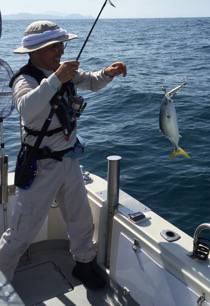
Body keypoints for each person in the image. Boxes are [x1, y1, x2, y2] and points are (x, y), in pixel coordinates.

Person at [0, 20, 127, 289]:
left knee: (80, 219)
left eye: (61, 45)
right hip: (40, 165)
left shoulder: (62, 72)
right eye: (52, 47)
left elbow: (90, 82)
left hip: (68, 159)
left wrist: (108, 72)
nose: (59, 51)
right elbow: (26, 108)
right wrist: (56, 78)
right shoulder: (25, 79)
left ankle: (84, 263)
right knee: (22, 232)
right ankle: (2, 277)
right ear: (34, 51)